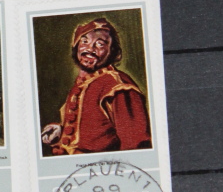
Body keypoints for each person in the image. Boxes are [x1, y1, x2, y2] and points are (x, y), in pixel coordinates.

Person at [40, 17, 151, 155]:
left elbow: (135, 144)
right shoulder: (83, 82)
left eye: (100, 44)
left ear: (113, 52)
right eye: (84, 41)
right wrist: (61, 132)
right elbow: (95, 131)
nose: (89, 49)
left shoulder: (118, 85)